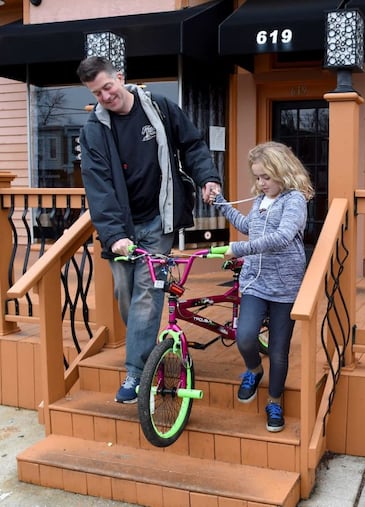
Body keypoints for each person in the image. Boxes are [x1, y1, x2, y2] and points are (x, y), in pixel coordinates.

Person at [76, 56, 222, 403]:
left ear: (120, 78)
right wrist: (115, 236)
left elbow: (192, 145)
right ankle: (145, 345)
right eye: (97, 93)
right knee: (126, 294)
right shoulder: (93, 129)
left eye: (108, 87)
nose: (106, 97)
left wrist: (208, 178)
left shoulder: (160, 107)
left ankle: (136, 374)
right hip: (122, 229)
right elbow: (99, 188)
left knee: (146, 293)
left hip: (160, 221)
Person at [210, 141, 313, 432]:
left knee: (279, 351)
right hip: (255, 282)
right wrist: (221, 202)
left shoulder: (294, 200)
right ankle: (254, 370)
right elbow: (249, 227)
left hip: (285, 286)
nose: (261, 183)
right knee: (244, 337)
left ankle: (275, 401)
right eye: (257, 177)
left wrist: (239, 250)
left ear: (283, 171)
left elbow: (282, 237)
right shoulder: (260, 200)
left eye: (266, 177)